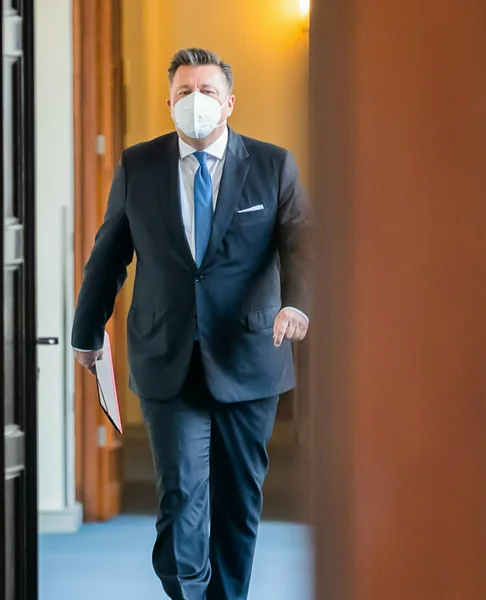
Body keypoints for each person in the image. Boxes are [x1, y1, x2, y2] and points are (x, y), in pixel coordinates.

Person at [71, 47, 311, 600]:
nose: (195, 102)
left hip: (250, 355)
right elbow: (109, 254)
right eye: (184, 92)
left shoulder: (273, 165)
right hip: (167, 354)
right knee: (181, 500)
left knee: (237, 503)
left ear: (229, 103)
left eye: (207, 91)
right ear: (169, 103)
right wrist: (87, 330)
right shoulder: (139, 165)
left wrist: (297, 304)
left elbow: (303, 244)